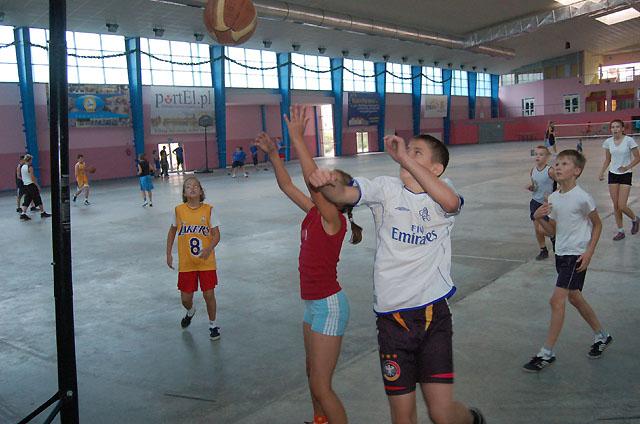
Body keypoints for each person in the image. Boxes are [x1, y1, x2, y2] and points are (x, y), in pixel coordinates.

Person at [309, 135, 485, 424]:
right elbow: (344, 195)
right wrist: (327, 182)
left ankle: (472, 419)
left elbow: (451, 203)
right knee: (402, 417)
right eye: (406, 151)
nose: (406, 155)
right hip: (393, 323)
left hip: (432, 317)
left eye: (417, 152)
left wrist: (405, 159)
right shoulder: (386, 189)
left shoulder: (444, 191)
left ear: (436, 169)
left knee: (441, 413)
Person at [255, 105, 362, 424]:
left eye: (330, 181)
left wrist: (299, 139)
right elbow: (289, 186)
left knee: (321, 383)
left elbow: (310, 182)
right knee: (311, 372)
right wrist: (274, 154)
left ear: (340, 197)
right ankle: (320, 421)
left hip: (329, 306)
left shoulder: (333, 220)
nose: (322, 181)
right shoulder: (315, 213)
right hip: (313, 305)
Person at [523, 150, 612, 372]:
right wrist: (538, 218)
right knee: (575, 298)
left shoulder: (582, 197)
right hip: (561, 253)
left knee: (556, 300)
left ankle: (546, 352)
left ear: (577, 171)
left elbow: (598, 224)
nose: (558, 167)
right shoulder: (553, 198)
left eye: (564, 164)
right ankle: (602, 335)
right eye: (557, 163)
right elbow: (553, 230)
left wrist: (589, 252)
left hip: (576, 254)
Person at [166, 176, 222, 340]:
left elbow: (216, 235)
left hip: (206, 262)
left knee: (209, 294)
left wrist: (209, 248)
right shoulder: (178, 210)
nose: (192, 188)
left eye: (195, 186)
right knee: (185, 298)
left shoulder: (209, 210)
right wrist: (168, 253)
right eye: (188, 186)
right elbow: (171, 232)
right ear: (184, 192)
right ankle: (190, 311)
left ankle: (213, 325)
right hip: (187, 263)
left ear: (201, 191)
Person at [598, 119, 640, 240]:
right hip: (613, 174)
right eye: (613, 127)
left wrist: (627, 167)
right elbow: (607, 159)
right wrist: (601, 172)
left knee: (622, 205)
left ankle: (635, 219)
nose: (615, 129)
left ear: (622, 128)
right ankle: (620, 231)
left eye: (617, 127)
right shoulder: (608, 142)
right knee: (616, 206)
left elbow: (638, 158)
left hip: (625, 174)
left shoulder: (629, 141)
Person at [527, 145, 556, 260]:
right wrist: (532, 188)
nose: (538, 156)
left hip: (547, 204)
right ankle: (543, 249)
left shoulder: (550, 171)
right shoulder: (532, 170)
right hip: (535, 202)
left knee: (544, 228)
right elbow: (536, 186)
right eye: (536, 154)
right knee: (537, 229)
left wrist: (552, 196)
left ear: (547, 157)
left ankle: (554, 237)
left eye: (541, 154)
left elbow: (562, 184)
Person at [19, 154, 51, 221]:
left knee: (27, 199)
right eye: (31, 160)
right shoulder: (29, 167)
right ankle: (42, 212)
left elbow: (23, 176)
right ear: (30, 160)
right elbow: (32, 177)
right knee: (37, 197)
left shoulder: (22, 167)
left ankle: (23, 213)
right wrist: (37, 185)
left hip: (26, 185)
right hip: (31, 185)